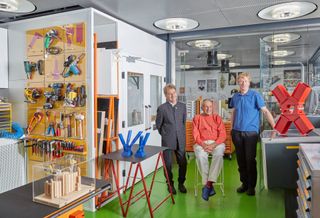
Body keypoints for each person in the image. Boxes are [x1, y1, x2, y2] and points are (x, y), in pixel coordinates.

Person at [230, 72, 275, 196]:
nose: (243, 83)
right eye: (241, 81)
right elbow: (233, 112)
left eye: (245, 81)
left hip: (251, 133)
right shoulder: (235, 97)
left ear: (249, 82)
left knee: (250, 160)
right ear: (238, 82)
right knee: (240, 161)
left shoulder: (255, 95)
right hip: (237, 133)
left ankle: (251, 186)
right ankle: (244, 184)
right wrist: (231, 128)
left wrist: (274, 127)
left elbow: (265, 112)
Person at [156, 83, 187, 194]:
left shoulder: (183, 106)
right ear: (166, 95)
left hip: (181, 140)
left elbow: (183, 122)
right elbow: (159, 125)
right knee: (167, 164)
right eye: (169, 94)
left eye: (174, 93)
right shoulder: (162, 108)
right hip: (167, 140)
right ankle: (170, 184)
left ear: (176, 93)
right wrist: (166, 135)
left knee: (183, 162)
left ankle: (181, 183)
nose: (172, 96)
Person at [192, 99, 226, 201]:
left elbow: (223, 134)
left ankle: (208, 184)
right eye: (206, 106)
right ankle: (209, 185)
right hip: (201, 143)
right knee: (200, 155)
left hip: (216, 143)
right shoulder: (197, 118)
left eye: (210, 106)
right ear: (202, 107)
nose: (208, 108)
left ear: (213, 107)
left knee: (219, 154)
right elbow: (195, 134)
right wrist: (203, 144)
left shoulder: (217, 118)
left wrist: (214, 144)